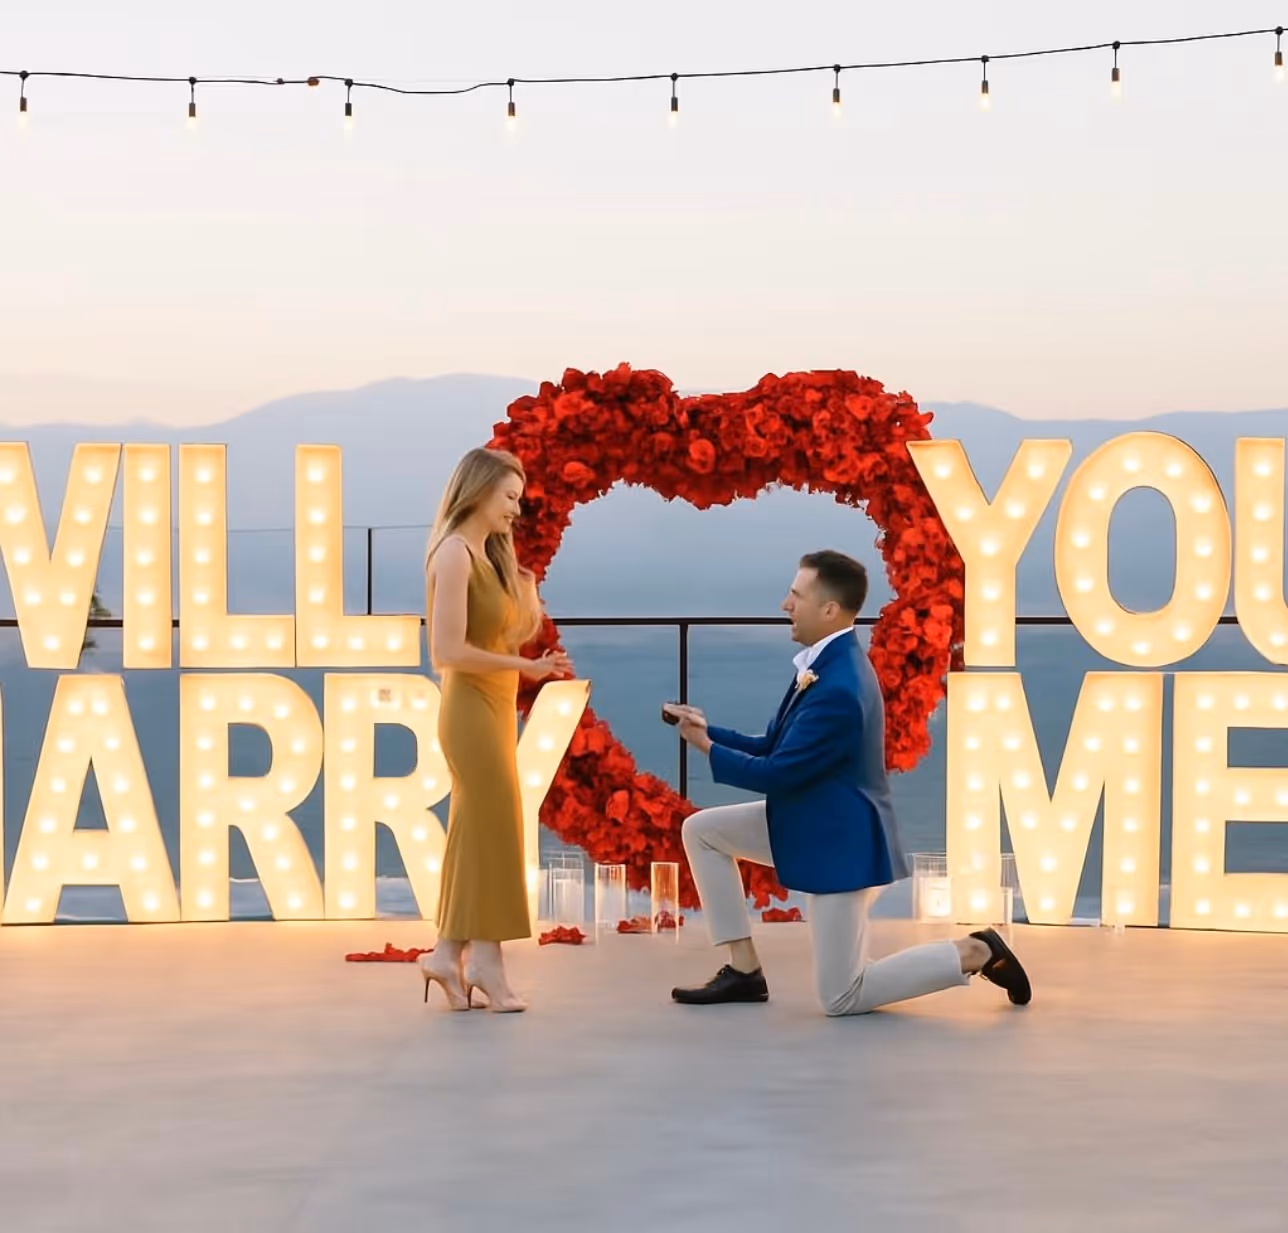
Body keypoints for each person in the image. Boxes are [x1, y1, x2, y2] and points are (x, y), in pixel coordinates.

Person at [666, 549, 1031, 1015]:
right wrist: (707, 729)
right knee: (702, 830)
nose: (784, 604)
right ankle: (743, 970)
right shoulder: (825, 665)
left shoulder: (838, 687)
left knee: (842, 995)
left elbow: (777, 773)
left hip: (840, 845)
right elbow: (776, 743)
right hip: (811, 823)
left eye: (795, 596)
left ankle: (975, 951)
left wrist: (704, 749)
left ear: (829, 609)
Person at [418, 447, 571, 1013]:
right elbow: (447, 651)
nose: (516, 510)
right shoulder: (455, 554)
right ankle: (484, 962)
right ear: (478, 491)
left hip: (492, 709)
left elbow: (504, 635)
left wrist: (524, 602)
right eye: (509, 497)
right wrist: (526, 669)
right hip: (469, 711)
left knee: (479, 836)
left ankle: (449, 955)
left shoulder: (488, 555)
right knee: (494, 832)